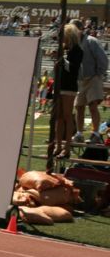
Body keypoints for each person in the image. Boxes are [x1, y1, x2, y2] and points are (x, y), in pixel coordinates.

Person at [72, 19, 108, 144]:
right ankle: (79, 134)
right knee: (79, 107)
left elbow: (103, 59)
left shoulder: (91, 41)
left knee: (93, 106)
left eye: (74, 29)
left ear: (81, 29)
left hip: (93, 78)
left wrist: (98, 74)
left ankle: (96, 134)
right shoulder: (73, 43)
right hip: (81, 80)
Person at [54, 23, 83, 158]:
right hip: (59, 85)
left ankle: (67, 148)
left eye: (65, 37)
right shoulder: (63, 49)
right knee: (58, 117)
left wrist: (62, 60)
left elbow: (73, 68)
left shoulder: (77, 51)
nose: (63, 39)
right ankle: (58, 145)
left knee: (67, 115)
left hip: (69, 86)